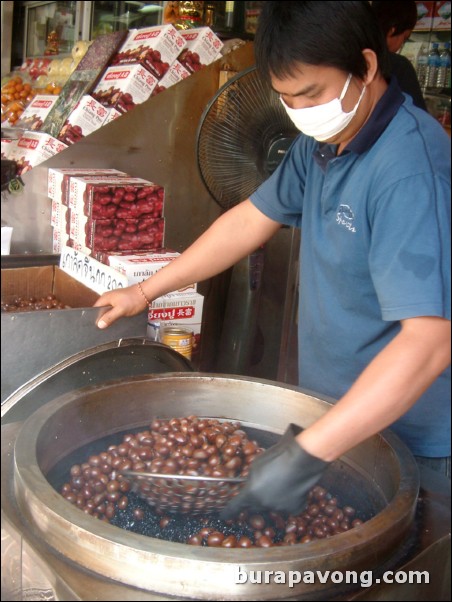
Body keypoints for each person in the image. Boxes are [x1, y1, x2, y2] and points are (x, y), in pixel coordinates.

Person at [95, 1, 451, 517]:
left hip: (413, 437)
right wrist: (146, 289)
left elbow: (430, 341)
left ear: (368, 67)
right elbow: (249, 221)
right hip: (335, 421)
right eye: (287, 99)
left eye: (312, 94)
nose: (302, 112)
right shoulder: (322, 142)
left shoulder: (411, 170)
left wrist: (305, 455)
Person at [372, 0, 428, 111]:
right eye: (405, 37)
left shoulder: (346, 56)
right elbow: (419, 118)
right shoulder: (399, 66)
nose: (402, 45)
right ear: (392, 30)